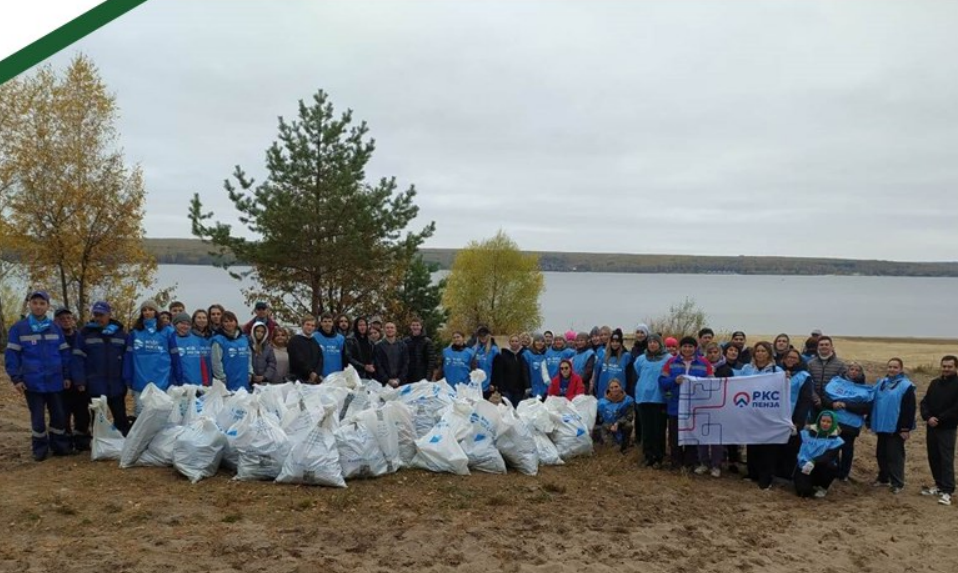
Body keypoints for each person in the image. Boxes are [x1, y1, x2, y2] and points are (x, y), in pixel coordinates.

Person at [5, 291, 73, 460]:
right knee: (37, 418)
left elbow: (64, 354)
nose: (38, 306)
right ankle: (40, 449)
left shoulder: (55, 327)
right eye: (35, 303)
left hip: (55, 381)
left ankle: (60, 446)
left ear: (47, 306)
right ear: (30, 304)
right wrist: (16, 378)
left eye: (42, 303)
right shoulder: (19, 328)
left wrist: (66, 376)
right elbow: (12, 356)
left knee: (58, 415)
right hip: (32, 382)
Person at [72, 301, 129, 436]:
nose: (99, 318)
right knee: (97, 418)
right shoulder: (85, 334)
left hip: (116, 384)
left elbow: (128, 358)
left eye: (102, 315)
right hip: (95, 384)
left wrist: (127, 378)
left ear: (109, 315)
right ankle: (98, 443)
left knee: (120, 417)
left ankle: (124, 445)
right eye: (96, 315)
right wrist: (79, 380)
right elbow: (77, 358)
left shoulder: (121, 334)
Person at [659, 336, 712, 471]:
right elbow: (662, 382)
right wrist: (674, 381)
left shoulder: (704, 363)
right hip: (675, 405)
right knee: (674, 436)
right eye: (685, 346)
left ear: (695, 348)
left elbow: (712, 384)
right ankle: (676, 463)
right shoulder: (671, 362)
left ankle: (689, 463)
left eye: (690, 347)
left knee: (692, 436)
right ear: (680, 348)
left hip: (696, 407)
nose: (687, 349)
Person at [124, 300, 182, 415]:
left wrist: (178, 377)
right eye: (144, 310)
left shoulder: (167, 332)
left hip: (162, 381)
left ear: (156, 312)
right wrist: (127, 377)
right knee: (141, 416)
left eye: (150, 309)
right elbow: (128, 357)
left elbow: (175, 357)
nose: (147, 312)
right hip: (140, 382)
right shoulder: (135, 333)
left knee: (161, 416)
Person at [871, 358, 916, 494]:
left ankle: (897, 482)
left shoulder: (906, 386)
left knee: (894, 456)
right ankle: (884, 478)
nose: (892, 369)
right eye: (890, 367)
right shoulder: (881, 383)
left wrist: (905, 428)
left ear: (901, 369)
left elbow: (909, 408)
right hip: (881, 425)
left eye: (895, 367)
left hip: (896, 427)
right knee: (881, 454)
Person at [740, 341, 781, 490]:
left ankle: (766, 477)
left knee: (767, 447)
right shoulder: (747, 369)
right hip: (751, 413)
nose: (760, 354)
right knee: (752, 445)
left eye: (763, 351)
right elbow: (736, 384)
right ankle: (753, 473)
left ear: (769, 353)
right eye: (758, 351)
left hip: (768, 414)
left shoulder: (777, 371)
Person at [823, 361, 873, 481]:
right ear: (847, 371)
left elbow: (865, 408)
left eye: (857, 370)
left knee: (847, 449)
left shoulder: (865, 390)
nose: (854, 372)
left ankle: (844, 473)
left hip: (851, 425)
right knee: (832, 447)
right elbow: (825, 398)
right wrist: (833, 404)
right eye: (852, 369)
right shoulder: (836, 383)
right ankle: (832, 470)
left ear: (861, 373)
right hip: (833, 421)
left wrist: (845, 404)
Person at [919, 355, 958, 506]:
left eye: (949, 366)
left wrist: (939, 419)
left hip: (947, 428)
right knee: (933, 456)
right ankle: (939, 486)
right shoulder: (934, 383)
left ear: (955, 367)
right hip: (931, 426)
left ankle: (948, 491)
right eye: (944, 366)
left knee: (946, 459)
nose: (946, 369)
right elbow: (924, 402)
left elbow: (956, 408)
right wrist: (928, 417)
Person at [696, 342, 735, 477]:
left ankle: (716, 465)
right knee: (702, 437)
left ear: (720, 353)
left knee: (717, 439)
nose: (712, 355)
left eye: (715, 352)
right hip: (702, 406)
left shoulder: (726, 369)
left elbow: (731, 388)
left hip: (720, 407)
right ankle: (704, 463)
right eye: (710, 352)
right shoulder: (700, 367)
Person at [55, 307, 88, 451]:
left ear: (73, 320)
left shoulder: (81, 337)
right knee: (63, 415)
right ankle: (65, 444)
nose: (66, 321)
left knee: (82, 414)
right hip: (60, 383)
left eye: (69, 318)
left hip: (79, 383)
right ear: (56, 322)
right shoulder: (54, 338)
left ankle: (81, 441)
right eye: (62, 319)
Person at [779, 348, 815, 480]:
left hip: (794, 417)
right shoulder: (778, 372)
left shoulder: (804, 377)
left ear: (799, 361)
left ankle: (788, 473)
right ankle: (777, 470)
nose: (791, 360)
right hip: (778, 415)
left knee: (791, 446)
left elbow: (805, 401)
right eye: (788, 357)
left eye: (794, 358)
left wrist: (798, 422)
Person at [634, 334, 670, 468]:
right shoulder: (641, 359)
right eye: (650, 342)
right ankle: (648, 455)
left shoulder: (668, 359)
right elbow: (638, 372)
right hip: (643, 398)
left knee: (659, 429)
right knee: (646, 429)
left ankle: (659, 456)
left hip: (659, 398)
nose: (652, 344)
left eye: (655, 342)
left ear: (660, 344)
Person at [794, 410, 844, 499]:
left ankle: (823, 487)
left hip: (821, 466)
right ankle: (808, 484)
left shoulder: (836, 440)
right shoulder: (807, 433)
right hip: (804, 465)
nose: (825, 424)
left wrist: (813, 461)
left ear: (833, 423)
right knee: (802, 492)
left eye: (829, 422)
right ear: (819, 421)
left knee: (831, 466)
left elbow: (828, 457)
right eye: (823, 421)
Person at [210, 311, 252, 392]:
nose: (229, 323)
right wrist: (221, 377)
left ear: (236, 322)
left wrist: (250, 372)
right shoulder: (218, 340)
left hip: (243, 378)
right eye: (226, 321)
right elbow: (216, 361)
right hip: (227, 380)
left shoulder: (244, 339)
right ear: (222, 324)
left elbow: (249, 357)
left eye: (231, 321)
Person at [806, 336, 846, 412]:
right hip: (813, 403)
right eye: (821, 345)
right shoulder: (810, 364)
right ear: (817, 347)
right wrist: (815, 398)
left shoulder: (840, 365)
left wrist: (831, 401)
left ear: (831, 347)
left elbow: (843, 385)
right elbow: (808, 383)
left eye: (826, 344)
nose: (824, 346)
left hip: (831, 404)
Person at [173, 312, 212, 386]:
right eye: (182, 323)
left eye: (188, 324)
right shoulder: (171, 339)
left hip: (197, 383)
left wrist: (205, 380)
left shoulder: (196, 339)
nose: (185, 326)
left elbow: (202, 362)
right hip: (179, 384)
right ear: (175, 324)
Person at [597, 379, 635, 452]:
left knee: (628, 425)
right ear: (608, 389)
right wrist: (610, 425)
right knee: (612, 449)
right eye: (611, 387)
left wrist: (618, 423)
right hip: (608, 426)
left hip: (621, 424)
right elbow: (601, 419)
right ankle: (611, 444)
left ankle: (625, 445)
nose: (614, 389)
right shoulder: (602, 402)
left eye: (616, 386)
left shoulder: (628, 400)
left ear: (621, 387)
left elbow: (629, 417)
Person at [492, 334, 530, 407]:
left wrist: (527, 386)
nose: (514, 343)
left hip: (519, 389)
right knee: (507, 408)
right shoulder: (503, 355)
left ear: (519, 342)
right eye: (512, 341)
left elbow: (525, 372)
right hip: (507, 389)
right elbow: (500, 372)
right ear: (509, 342)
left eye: (516, 341)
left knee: (517, 409)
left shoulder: (523, 355)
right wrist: (501, 387)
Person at [593, 328, 631, 400]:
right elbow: (597, 374)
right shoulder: (603, 356)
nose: (615, 344)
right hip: (603, 393)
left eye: (617, 342)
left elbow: (629, 377)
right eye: (613, 341)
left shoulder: (626, 356)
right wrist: (595, 388)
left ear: (621, 343)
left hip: (619, 395)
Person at [288, 315, 323, 383]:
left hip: (314, 380)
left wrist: (316, 373)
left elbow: (320, 359)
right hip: (298, 379)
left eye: (313, 325)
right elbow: (297, 359)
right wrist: (310, 373)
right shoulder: (294, 340)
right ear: (302, 325)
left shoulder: (315, 342)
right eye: (308, 324)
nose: (310, 327)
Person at [374, 321, 408, 387]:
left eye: (392, 328)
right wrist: (387, 380)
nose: (390, 329)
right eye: (387, 328)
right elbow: (378, 365)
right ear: (384, 330)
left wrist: (399, 379)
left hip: (401, 382)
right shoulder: (378, 346)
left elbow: (406, 364)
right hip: (384, 383)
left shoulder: (403, 345)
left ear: (395, 330)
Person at [314, 313, 347, 377]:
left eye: (329, 321)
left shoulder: (341, 338)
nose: (327, 324)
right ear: (321, 323)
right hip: (320, 376)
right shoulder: (314, 337)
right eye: (325, 321)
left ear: (332, 323)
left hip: (337, 376)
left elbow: (345, 358)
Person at [405, 317, 436, 383]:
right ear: (410, 327)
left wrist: (428, 378)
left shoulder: (427, 341)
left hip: (422, 376)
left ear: (421, 327)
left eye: (417, 325)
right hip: (408, 376)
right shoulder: (406, 341)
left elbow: (431, 361)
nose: (415, 327)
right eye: (413, 325)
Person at [522, 333, 551, 399]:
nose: (540, 343)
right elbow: (525, 372)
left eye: (542, 341)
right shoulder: (527, 354)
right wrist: (527, 386)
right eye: (537, 341)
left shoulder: (547, 354)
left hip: (545, 388)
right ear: (534, 342)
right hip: (532, 388)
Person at [473, 326, 499, 396]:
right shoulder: (474, 349)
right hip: (476, 386)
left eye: (484, 335)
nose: (482, 337)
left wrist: (494, 383)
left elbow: (497, 369)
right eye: (480, 335)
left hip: (489, 386)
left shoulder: (494, 350)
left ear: (489, 335)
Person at [250, 321, 276, 387]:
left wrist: (264, 376)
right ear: (253, 331)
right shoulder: (248, 345)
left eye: (262, 332)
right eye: (258, 331)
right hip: (249, 380)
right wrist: (252, 375)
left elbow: (272, 363)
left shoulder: (268, 347)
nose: (260, 334)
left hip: (264, 382)